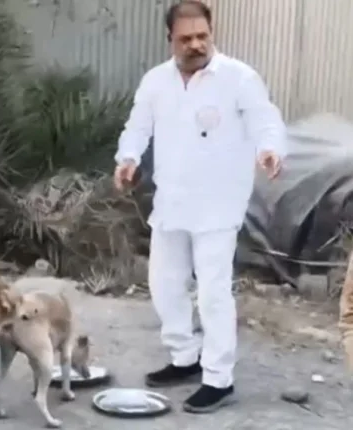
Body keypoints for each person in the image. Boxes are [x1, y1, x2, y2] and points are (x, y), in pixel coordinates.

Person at [113, 1, 286, 413]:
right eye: (185, 38)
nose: (195, 45)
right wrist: (128, 159)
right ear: (170, 39)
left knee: (212, 293)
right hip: (172, 200)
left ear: (212, 33)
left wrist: (270, 149)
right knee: (164, 284)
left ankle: (218, 379)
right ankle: (184, 357)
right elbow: (137, 127)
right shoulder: (156, 81)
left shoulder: (239, 78)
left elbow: (266, 120)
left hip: (219, 204)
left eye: (202, 36)